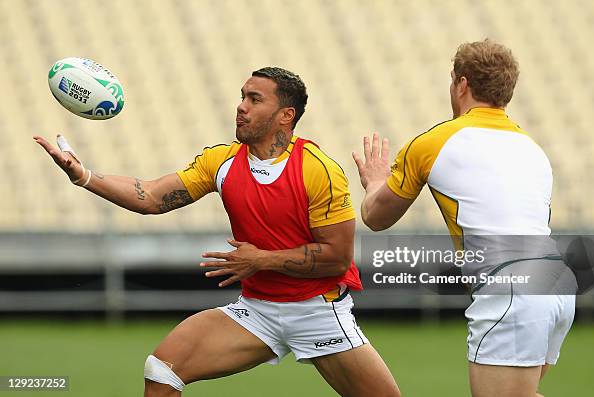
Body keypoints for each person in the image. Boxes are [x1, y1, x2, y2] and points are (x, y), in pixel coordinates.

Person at [34, 67, 400, 397]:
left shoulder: (318, 169)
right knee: (161, 371)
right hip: (258, 311)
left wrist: (261, 260)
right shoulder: (220, 161)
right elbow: (150, 197)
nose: (241, 106)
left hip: (317, 310)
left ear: (286, 115)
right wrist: (84, 176)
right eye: (242, 96)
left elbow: (336, 258)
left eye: (254, 99)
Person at [352, 40, 575, 397]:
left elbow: (375, 217)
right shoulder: (533, 148)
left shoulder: (434, 141)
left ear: (462, 84)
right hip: (558, 285)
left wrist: (374, 180)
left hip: (511, 288)